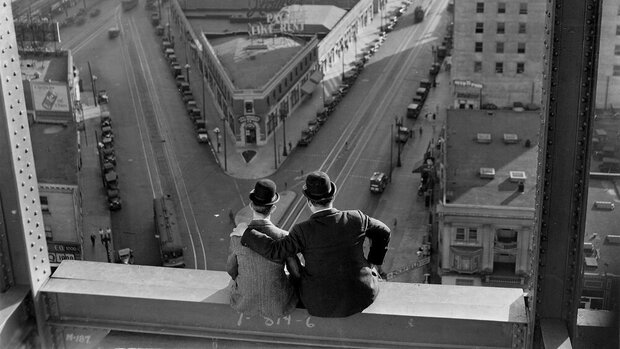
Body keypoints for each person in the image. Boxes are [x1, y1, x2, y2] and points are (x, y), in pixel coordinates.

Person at [241, 171, 391, 318]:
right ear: (332, 196)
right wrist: (372, 263)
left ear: (309, 202)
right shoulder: (356, 218)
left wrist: (246, 233)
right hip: (362, 296)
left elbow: (275, 250)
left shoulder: (302, 230)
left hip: (320, 304)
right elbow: (384, 231)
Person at [227, 179, 300, 318]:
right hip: (279, 305)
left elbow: (231, 270)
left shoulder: (236, 237)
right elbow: (296, 272)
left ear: (251, 206)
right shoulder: (284, 236)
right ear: (273, 208)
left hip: (244, 303)